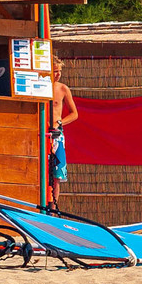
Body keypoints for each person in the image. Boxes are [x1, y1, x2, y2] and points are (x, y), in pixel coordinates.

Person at [48, 71, 79, 214]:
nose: (58, 74)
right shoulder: (37, 87)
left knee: (57, 175)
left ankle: (53, 210)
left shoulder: (62, 89)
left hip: (57, 135)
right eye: (55, 71)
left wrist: (60, 122)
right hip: (40, 133)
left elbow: (74, 114)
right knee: (41, 173)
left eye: (60, 71)